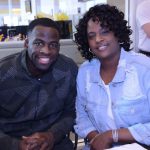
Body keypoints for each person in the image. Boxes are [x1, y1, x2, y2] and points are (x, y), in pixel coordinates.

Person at [74, 4, 150, 150]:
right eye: (91, 36)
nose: (98, 39)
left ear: (117, 33)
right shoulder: (85, 72)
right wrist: (96, 138)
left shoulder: (144, 67)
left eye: (105, 32)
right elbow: (81, 116)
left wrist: (112, 135)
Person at [0, 18, 78, 150]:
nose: (46, 51)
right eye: (38, 43)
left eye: (53, 45)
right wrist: (15, 145)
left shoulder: (68, 69)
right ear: (26, 43)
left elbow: (72, 112)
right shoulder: (4, 72)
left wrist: (52, 135)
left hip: (55, 143)